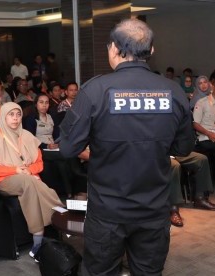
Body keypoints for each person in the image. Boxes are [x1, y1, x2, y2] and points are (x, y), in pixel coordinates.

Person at [59, 19, 193, 275]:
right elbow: (184, 147)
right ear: (151, 50)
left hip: (107, 212)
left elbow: (67, 148)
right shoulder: (173, 92)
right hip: (154, 209)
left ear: (113, 48)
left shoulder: (94, 90)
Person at [0, 102, 64, 261]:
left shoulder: (27, 135)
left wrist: (29, 171)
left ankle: (37, 243)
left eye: (18, 114)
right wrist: (16, 170)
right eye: (11, 115)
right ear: (3, 117)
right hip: (5, 180)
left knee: (30, 185)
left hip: (29, 179)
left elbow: (39, 163)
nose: (15, 118)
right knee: (30, 182)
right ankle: (60, 210)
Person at [169, 152, 215, 227]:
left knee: (201, 159)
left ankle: (199, 199)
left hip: (175, 150)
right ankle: (173, 209)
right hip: (159, 152)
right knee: (175, 166)